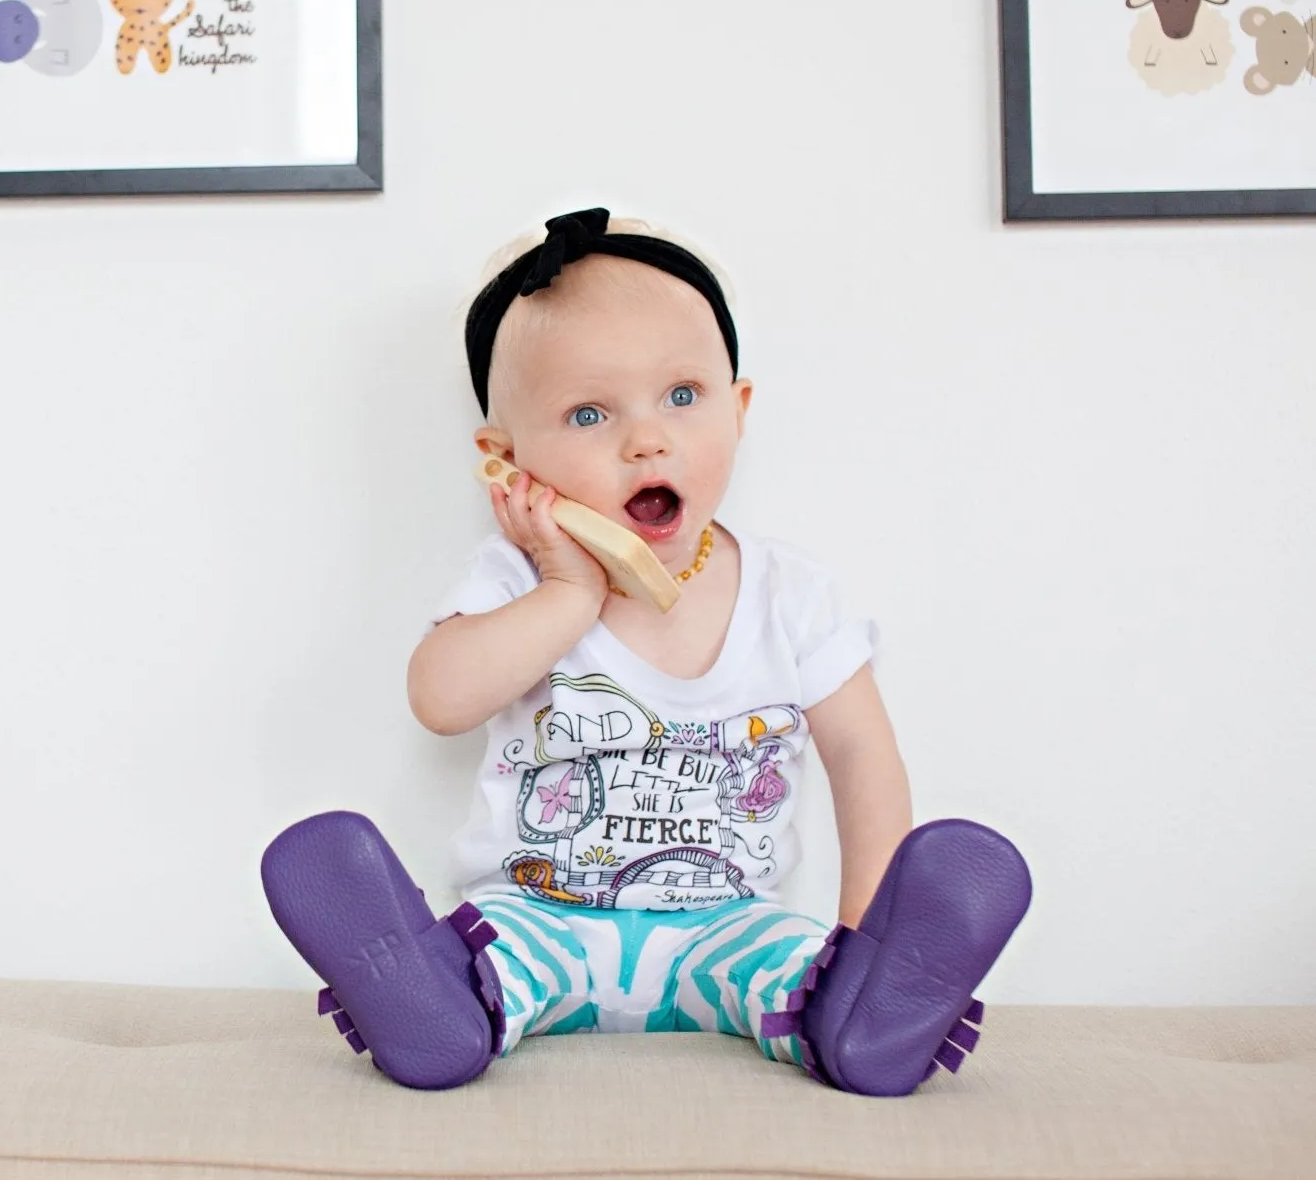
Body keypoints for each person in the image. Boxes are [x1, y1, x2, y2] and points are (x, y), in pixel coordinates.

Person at [260, 208, 1032, 1097]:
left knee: (792, 969)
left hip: (728, 923)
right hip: (542, 914)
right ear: (506, 461)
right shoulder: (517, 581)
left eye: (682, 396)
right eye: (589, 412)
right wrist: (569, 591)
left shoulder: (793, 595)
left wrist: (863, 931)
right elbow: (439, 698)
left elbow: (864, 757)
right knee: (493, 959)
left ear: (738, 412)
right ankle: (438, 1007)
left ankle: (862, 1011)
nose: (647, 438)